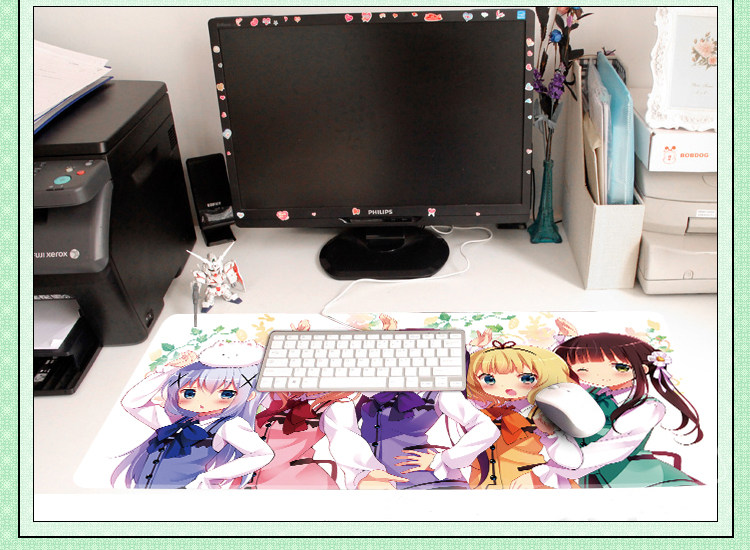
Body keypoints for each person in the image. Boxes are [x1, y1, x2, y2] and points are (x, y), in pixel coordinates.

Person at [538, 332, 703, 488]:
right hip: (588, 476)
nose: (600, 376)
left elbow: (593, 457)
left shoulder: (646, 409)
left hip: (639, 477)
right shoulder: (585, 393)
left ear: (643, 369)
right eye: (582, 369)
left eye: (620, 367)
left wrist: (552, 435)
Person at [111, 341, 272, 489]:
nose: (202, 401)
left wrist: (210, 477)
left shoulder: (229, 425)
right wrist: (169, 370)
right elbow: (132, 403)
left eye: (226, 394)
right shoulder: (177, 421)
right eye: (190, 393)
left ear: (250, 395)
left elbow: (262, 454)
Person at [465, 340, 581, 489]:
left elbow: (572, 461)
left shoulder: (544, 413)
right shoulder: (474, 412)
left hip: (536, 486)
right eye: (489, 379)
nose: (507, 388)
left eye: (526, 379)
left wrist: (538, 473)